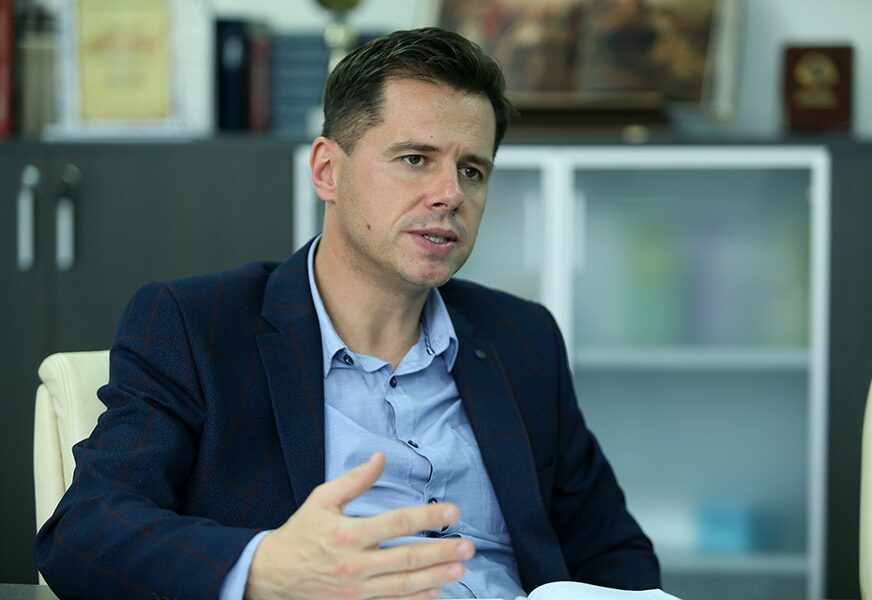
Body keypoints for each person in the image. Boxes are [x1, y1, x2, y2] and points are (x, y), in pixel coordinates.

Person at [34, 27, 659, 599]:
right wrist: (265, 568)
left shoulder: (522, 337)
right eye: (415, 159)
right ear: (328, 171)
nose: (450, 194)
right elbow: (86, 530)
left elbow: (615, 555)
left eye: (472, 170)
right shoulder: (197, 324)